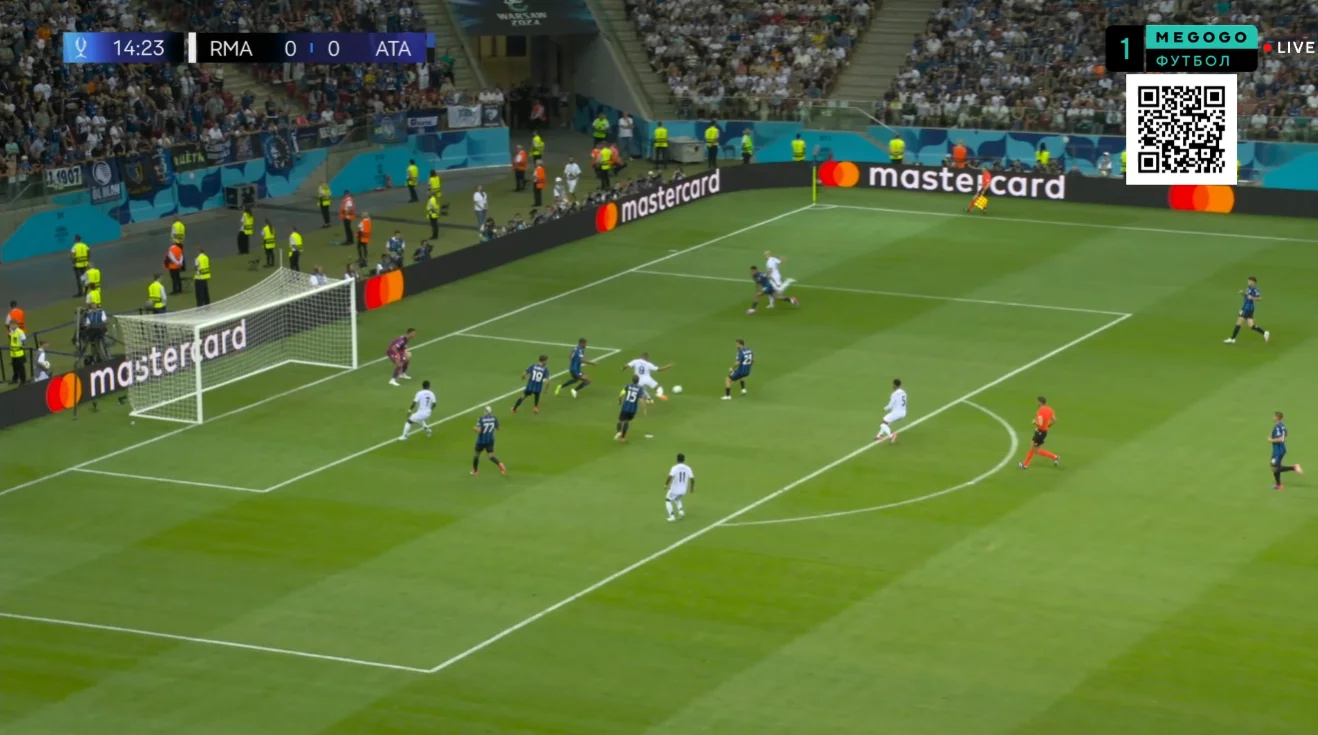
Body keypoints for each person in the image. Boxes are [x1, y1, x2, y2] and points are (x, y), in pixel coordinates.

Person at [1019, 396, 1060, 468]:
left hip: (1040, 432)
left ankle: (1025, 465)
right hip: (1044, 432)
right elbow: (1054, 420)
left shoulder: (1040, 411)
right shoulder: (1050, 410)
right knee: (1037, 450)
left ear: (1040, 402)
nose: (1037, 403)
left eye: (1038, 401)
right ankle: (1055, 457)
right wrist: (1048, 426)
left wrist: (1034, 422)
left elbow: (1040, 424)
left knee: (1032, 448)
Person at [1226, 276, 1269, 344]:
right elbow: (1247, 296)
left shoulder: (1255, 289)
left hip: (1248, 308)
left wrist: (1252, 298)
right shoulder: (1249, 288)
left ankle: (1232, 339)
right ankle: (1264, 333)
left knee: (1239, 322)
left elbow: (1260, 298)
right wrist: (1243, 293)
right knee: (1251, 325)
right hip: (1246, 307)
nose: (1248, 282)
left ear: (1253, 282)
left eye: (1249, 281)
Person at [1269, 411, 1305, 490]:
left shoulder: (1277, 427)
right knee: (1275, 467)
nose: (1273, 417)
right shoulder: (1283, 426)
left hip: (1278, 450)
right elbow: (1286, 435)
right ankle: (1279, 485)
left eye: (1274, 416)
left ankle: (1294, 467)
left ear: (1277, 418)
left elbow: (1281, 439)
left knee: (1275, 467)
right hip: (1281, 449)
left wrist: (1271, 440)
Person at [471, 407, 507, 475]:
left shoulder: (481, 419)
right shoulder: (494, 418)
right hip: (490, 440)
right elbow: (498, 428)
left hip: (481, 441)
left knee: (477, 455)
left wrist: (474, 428)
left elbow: (479, 430)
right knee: (491, 456)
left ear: (485, 411)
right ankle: (501, 465)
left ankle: (475, 471)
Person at [875, 379, 908, 443]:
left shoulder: (894, 394)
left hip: (896, 413)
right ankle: (879, 436)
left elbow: (890, 405)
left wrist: (885, 408)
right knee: (887, 422)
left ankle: (892, 435)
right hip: (903, 413)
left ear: (895, 385)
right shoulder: (904, 393)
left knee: (883, 423)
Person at [664, 453, 694, 521]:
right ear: (684, 460)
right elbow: (692, 479)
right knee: (677, 498)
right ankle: (681, 511)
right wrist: (692, 488)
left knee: (668, 500)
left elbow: (670, 476)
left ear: (677, 459)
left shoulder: (675, 468)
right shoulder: (688, 468)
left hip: (674, 489)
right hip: (683, 490)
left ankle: (672, 516)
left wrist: (666, 484)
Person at [615, 376, 644, 442]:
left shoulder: (628, 386)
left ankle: (619, 431)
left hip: (625, 407)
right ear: (638, 381)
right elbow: (641, 399)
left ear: (632, 380)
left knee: (620, 420)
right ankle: (622, 438)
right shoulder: (640, 388)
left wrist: (619, 401)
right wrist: (644, 409)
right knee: (627, 421)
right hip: (632, 409)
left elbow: (621, 394)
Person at [7, 321, 26, 385]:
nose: (10, 326)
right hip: (13, 353)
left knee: (20, 368)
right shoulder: (12, 331)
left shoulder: (20, 332)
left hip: (19, 353)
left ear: (15, 325)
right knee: (14, 367)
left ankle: (23, 381)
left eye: (11, 325)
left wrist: (22, 345)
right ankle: (15, 379)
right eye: (10, 325)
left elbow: (23, 340)